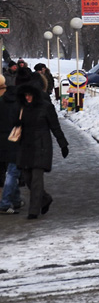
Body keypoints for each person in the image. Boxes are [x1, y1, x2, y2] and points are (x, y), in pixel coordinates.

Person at [15, 83, 69, 220]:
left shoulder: (46, 107)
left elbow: (55, 127)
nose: (27, 98)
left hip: (41, 146)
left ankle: (33, 211)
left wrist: (63, 144)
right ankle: (45, 198)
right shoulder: (22, 108)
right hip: (26, 146)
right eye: (25, 95)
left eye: (30, 95)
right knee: (27, 178)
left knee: (36, 180)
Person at [0, 76, 24, 214]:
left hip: (1, 141)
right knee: (13, 172)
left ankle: (16, 200)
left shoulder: (1, 102)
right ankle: (5, 203)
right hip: (14, 140)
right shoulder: (19, 105)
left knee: (10, 172)